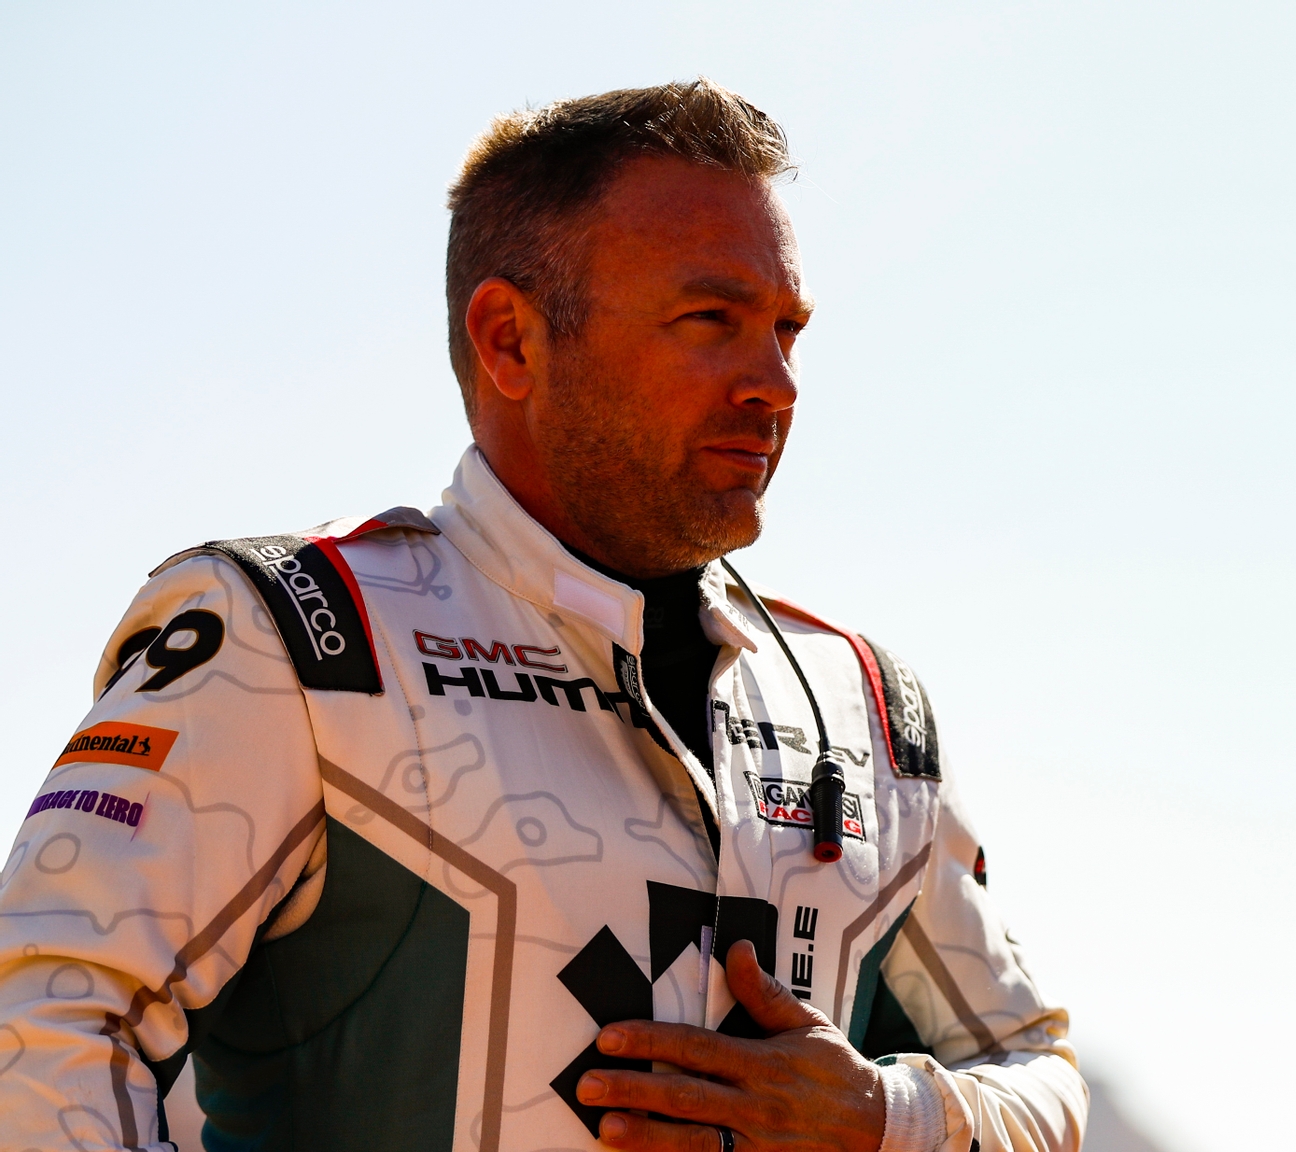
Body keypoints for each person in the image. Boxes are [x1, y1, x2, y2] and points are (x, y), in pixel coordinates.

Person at [0, 79, 1088, 1152]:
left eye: (787, 329)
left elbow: (1039, 1076)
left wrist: (882, 1118)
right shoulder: (298, 638)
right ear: (511, 340)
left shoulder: (862, 707)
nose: (774, 383)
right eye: (710, 319)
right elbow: (39, 1025)